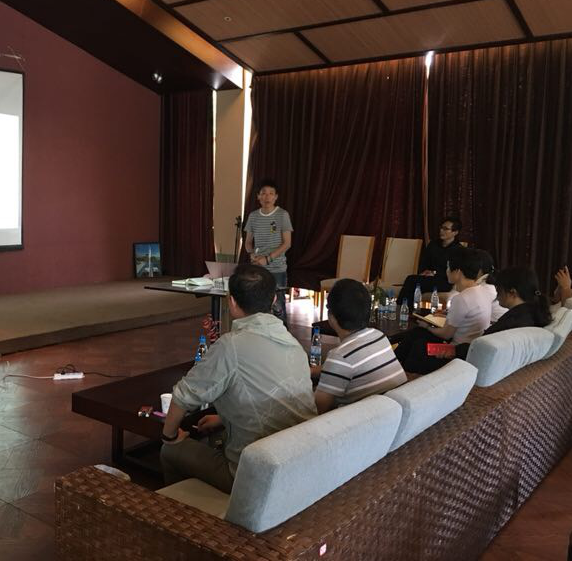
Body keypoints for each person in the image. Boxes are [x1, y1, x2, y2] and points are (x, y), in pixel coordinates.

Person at [159, 264, 316, 494]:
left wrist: (170, 436)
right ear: (274, 299)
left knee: (170, 451)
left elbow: (183, 396)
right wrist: (223, 419)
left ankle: (183, 513)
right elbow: (270, 395)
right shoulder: (292, 342)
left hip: (256, 477)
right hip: (300, 461)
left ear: (231, 301)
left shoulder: (230, 346)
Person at [314, 279, 407, 413]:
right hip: (391, 413)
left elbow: (319, 408)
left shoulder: (340, 356)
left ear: (332, 316)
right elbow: (347, 367)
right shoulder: (379, 336)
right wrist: (312, 371)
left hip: (361, 420)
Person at [395, 247, 492, 374]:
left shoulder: (462, 298)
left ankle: (398, 368)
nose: (446, 271)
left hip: (455, 352)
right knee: (418, 334)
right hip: (470, 348)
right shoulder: (482, 291)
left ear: (457, 272)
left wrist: (427, 326)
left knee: (418, 344)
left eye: (448, 267)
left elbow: (446, 334)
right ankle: (396, 366)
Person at [438, 267, 553, 360]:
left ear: (512, 293)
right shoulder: (531, 315)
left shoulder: (511, 323)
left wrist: (455, 350)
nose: (496, 297)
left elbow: (481, 349)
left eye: (499, 291)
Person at [244, 179, 293, 326]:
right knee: (258, 308)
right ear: (258, 196)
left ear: (276, 197)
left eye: (271, 193)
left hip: (277, 268)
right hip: (258, 269)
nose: (267, 197)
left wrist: (268, 259)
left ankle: (282, 336)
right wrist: (251, 254)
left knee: (278, 307)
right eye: (263, 193)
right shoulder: (253, 216)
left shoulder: (282, 215)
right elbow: (248, 242)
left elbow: (287, 243)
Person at [397, 216, 463, 308]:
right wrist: (424, 271)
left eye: (446, 229)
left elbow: (454, 272)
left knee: (411, 280)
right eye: (441, 228)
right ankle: (409, 309)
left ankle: (401, 308)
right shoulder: (433, 244)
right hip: (428, 278)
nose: (441, 231)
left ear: (455, 232)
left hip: (444, 281)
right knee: (413, 283)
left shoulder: (458, 250)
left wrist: (434, 273)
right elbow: (424, 262)